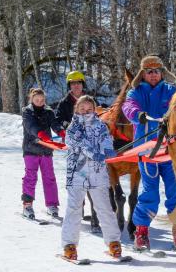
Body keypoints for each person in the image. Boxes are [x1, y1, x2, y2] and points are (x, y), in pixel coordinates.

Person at [122, 55, 176, 252]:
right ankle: (141, 232)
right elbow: (128, 106)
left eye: (156, 71)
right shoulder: (137, 91)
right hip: (147, 150)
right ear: (143, 74)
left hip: (170, 149)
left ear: (162, 73)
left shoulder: (171, 90)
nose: (153, 75)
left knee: (174, 191)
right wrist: (137, 115)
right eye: (149, 72)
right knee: (149, 192)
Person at [61, 95, 122, 260]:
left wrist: (108, 149)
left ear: (94, 110)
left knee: (105, 208)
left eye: (89, 109)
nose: (86, 112)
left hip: (98, 174)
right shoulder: (73, 128)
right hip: (77, 174)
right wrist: (94, 153)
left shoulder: (101, 126)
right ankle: (69, 245)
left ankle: (113, 243)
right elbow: (79, 144)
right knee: (74, 209)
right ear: (77, 109)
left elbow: (106, 140)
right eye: (82, 109)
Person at [55, 70, 103, 233]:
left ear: (83, 84)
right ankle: (78, 210)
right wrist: (64, 131)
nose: (76, 86)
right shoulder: (64, 103)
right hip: (75, 149)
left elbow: (101, 117)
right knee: (78, 182)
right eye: (73, 83)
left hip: (93, 148)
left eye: (79, 83)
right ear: (70, 85)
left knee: (94, 184)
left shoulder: (91, 100)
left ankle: (96, 219)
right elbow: (58, 121)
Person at [21, 88, 65, 219]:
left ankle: (52, 205)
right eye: (37, 100)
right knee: (31, 176)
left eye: (42, 100)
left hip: (46, 150)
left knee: (49, 177)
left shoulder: (49, 111)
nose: (39, 102)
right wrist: (40, 134)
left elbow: (55, 124)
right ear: (32, 99)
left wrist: (61, 132)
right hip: (31, 149)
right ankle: (27, 204)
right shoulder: (27, 111)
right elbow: (30, 126)